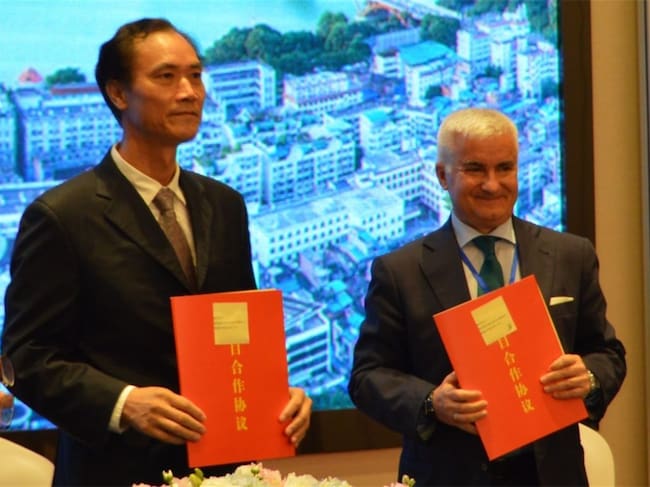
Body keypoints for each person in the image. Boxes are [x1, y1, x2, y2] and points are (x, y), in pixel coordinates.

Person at [1, 18, 311, 486]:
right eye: (166, 77)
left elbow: (236, 328)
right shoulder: (63, 215)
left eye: (196, 75)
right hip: (114, 470)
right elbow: (26, 358)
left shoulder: (224, 204)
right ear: (118, 93)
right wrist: (123, 403)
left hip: (223, 468)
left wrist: (276, 394)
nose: (189, 92)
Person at [348, 108, 626, 486]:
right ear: (442, 176)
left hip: (551, 474)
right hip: (448, 474)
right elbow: (367, 377)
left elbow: (607, 353)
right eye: (475, 169)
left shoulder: (570, 255)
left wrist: (589, 378)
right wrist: (431, 402)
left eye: (505, 168)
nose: (492, 185)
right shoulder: (400, 271)